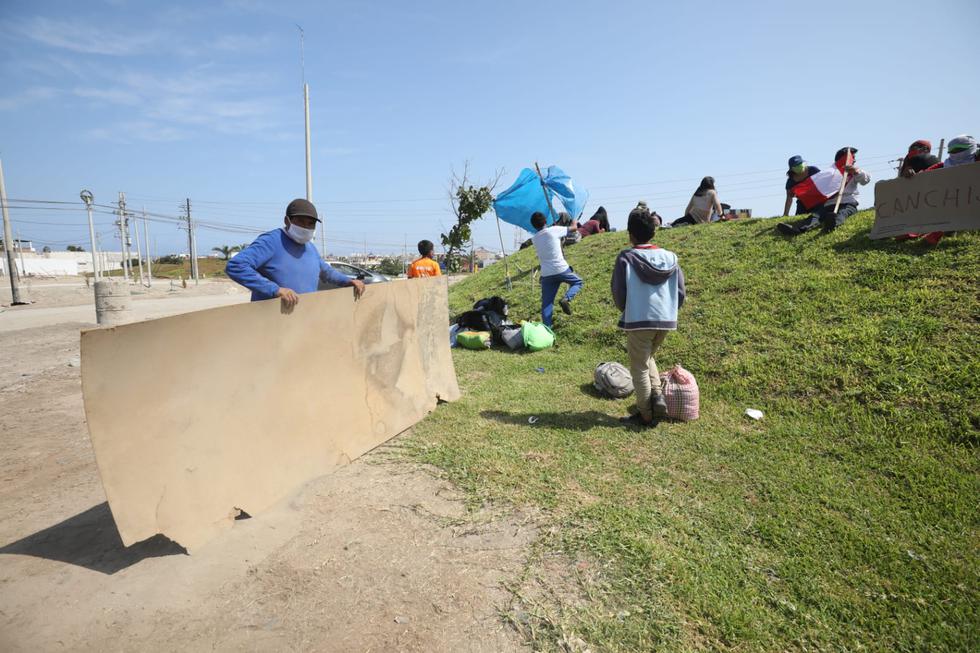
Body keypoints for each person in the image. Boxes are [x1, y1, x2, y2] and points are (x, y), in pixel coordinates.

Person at [611, 206, 686, 427]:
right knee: (647, 358)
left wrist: (626, 309)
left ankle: (645, 415)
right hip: (666, 320)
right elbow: (681, 292)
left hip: (639, 319)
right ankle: (657, 396)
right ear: (654, 232)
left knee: (639, 368)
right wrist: (671, 310)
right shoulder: (671, 257)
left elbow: (618, 291)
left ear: (630, 234)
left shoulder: (626, 257)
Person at [226, 198, 365, 309]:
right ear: (287, 221)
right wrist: (275, 290)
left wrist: (347, 281)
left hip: (302, 317)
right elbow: (236, 266)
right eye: (300, 222)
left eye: (310, 223)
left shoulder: (310, 247)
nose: (306, 227)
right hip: (271, 320)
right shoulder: (271, 241)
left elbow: (326, 271)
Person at [897, 135, 977, 245]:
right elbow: (925, 175)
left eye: (959, 150)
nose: (956, 153)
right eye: (953, 151)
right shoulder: (945, 165)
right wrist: (913, 176)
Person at [776, 147, 871, 235]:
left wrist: (856, 171)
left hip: (848, 203)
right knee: (815, 216)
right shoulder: (830, 174)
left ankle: (832, 224)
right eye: (850, 158)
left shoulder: (855, 172)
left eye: (853, 158)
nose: (853, 160)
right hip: (829, 203)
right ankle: (798, 230)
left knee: (842, 213)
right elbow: (817, 185)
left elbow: (865, 180)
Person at [530, 211, 584, 327]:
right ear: (546, 221)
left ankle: (547, 329)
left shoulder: (535, 239)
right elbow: (574, 228)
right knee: (578, 282)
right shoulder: (554, 230)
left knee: (547, 304)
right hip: (561, 269)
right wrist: (574, 218)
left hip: (546, 274)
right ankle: (566, 299)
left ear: (533, 226)